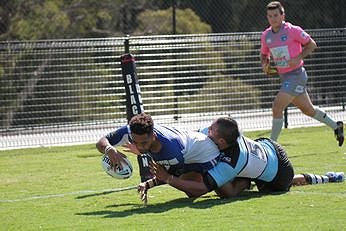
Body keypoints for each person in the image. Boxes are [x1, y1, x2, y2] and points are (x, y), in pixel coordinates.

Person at [150, 117, 345, 198]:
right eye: (209, 128)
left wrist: (168, 178)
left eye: (211, 131)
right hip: (267, 146)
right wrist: (153, 182)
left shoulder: (234, 158)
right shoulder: (214, 135)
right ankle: (246, 178)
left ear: (222, 143)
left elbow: (202, 189)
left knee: (226, 192)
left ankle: (327, 177)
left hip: (279, 172)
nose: (206, 131)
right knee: (211, 172)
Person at [260, 1, 344, 146]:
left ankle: (271, 146)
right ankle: (336, 126)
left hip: (297, 75)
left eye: (276, 15)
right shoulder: (266, 35)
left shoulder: (292, 30)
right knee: (308, 110)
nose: (273, 18)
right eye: (270, 16)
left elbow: (312, 44)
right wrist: (264, 63)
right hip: (285, 77)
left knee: (277, 107)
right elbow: (263, 54)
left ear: (282, 15)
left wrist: (298, 57)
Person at [96, 112, 222, 203]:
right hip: (188, 152)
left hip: (206, 155)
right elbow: (102, 141)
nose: (139, 146)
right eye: (135, 142)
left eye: (144, 143)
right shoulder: (131, 130)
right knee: (189, 188)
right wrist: (109, 149)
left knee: (198, 191)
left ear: (154, 136)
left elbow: (168, 176)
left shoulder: (169, 150)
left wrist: (149, 184)